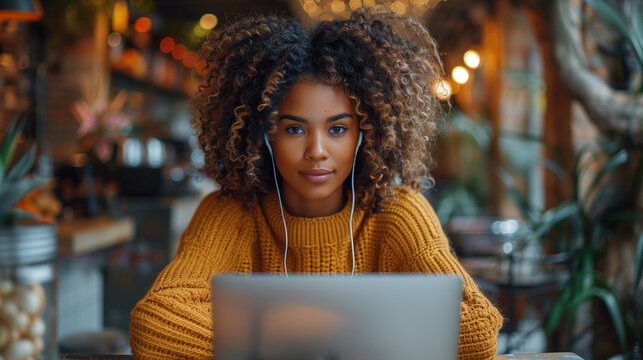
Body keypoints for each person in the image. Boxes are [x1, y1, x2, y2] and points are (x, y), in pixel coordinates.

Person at [130, 7, 503, 359]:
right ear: (264, 135)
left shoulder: (397, 212)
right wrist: (342, 334)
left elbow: (478, 330)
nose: (317, 151)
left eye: (338, 129)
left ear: (366, 133)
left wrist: (277, 333)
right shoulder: (231, 214)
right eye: (294, 129)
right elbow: (155, 325)